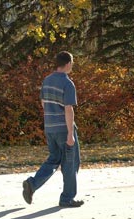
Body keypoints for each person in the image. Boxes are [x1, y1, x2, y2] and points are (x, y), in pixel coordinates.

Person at [22, 51, 84, 208]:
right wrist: (71, 134)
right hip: (64, 129)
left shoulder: (47, 80)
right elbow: (68, 109)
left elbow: (43, 103)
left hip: (49, 128)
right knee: (70, 163)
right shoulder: (67, 83)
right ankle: (67, 198)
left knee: (53, 159)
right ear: (68, 64)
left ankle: (33, 184)